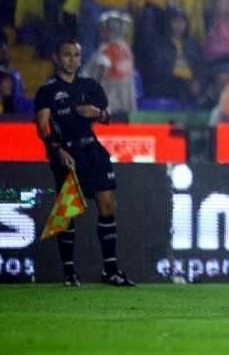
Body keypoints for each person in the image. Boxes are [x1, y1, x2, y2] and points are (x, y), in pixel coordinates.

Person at [34, 38, 135, 286]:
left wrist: (98, 113)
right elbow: (43, 126)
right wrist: (56, 149)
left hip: (91, 149)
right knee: (69, 210)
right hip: (66, 152)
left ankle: (110, 270)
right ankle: (69, 273)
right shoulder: (47, 90)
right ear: (56, 58)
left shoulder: (90, 86)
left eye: (76, 55)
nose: (72, 60)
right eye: (67, 54)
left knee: (107, 203)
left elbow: (108, 116)